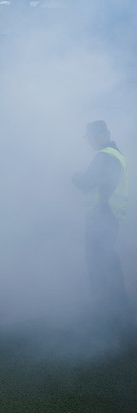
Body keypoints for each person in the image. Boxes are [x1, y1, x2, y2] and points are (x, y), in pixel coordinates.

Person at [71, 120, 130, 331]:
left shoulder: (105, 155)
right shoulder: (116, 154)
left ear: (102, 135)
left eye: (90, 137)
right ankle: (116, 312)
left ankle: (107, 314)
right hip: (109, 216)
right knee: (108, 262)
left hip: (101, 215)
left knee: (99, 265)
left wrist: (74, 176)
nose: (89, 142)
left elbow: (88, 182)